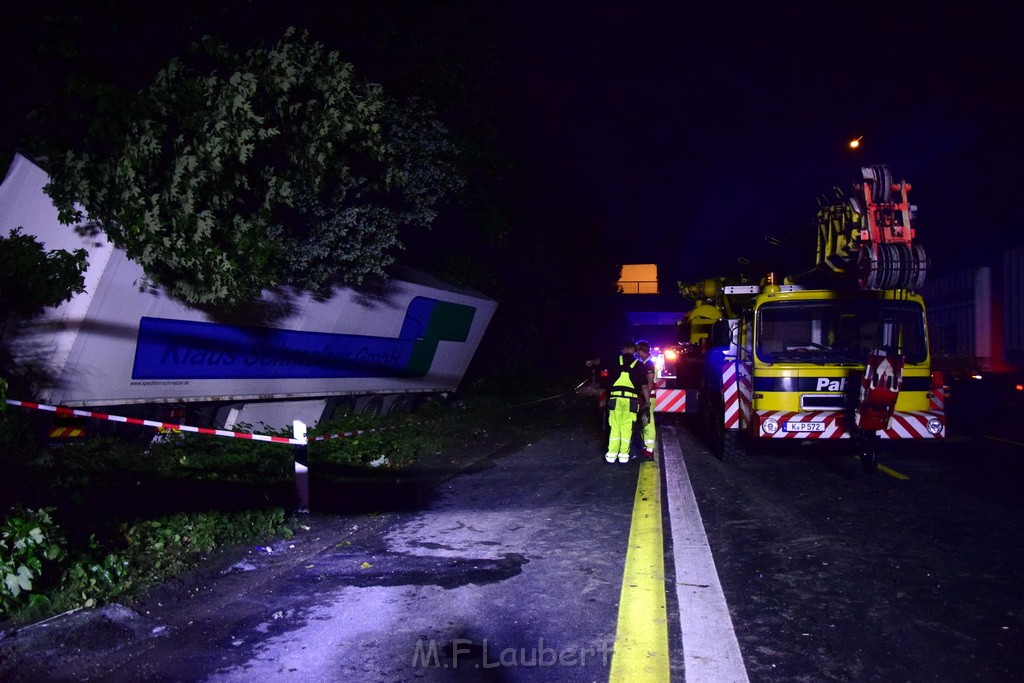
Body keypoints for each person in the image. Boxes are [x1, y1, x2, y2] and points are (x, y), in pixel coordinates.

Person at [586, 342, 647, 463]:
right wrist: (647, 402)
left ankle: (611, 455)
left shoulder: (613, 359)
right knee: (627, 427)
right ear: (634, 351)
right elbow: (644, 387)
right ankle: (624, 456)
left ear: (624, 349)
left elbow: (600, 361)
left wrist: (591, 362)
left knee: (614, 427)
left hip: (615, 399)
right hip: (631, 401)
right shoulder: (639, 365)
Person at [634, 340, 657, 459]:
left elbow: (649, 384)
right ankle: (646, 447)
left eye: (637, 350)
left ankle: (649, 449)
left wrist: (646, 401)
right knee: (644, 422)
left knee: (648, 422)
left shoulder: (648, 364)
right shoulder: (646, 362)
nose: (636, 353)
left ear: (641, 350)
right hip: (646, 396)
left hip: (648, 397)